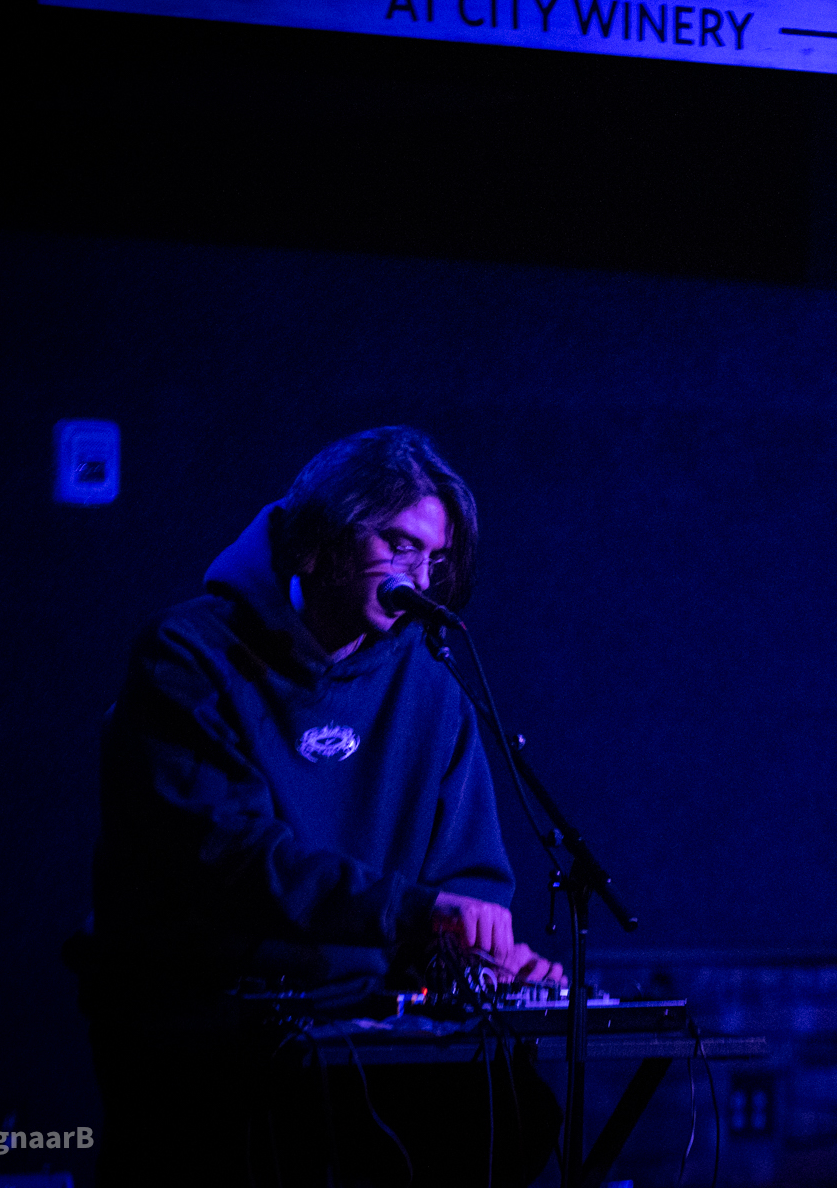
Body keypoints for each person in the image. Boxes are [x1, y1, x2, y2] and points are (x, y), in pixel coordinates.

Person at [84, 427, 562, 1186]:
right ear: (323, 539)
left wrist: (483, 957)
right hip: (216, 1028)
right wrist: (419, 913)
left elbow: (465, 878)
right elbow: (232, 860)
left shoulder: (433, 686)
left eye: (435, 559)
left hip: (367, 1025)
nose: (420, 577)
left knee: (517, 1114)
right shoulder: (187, 656)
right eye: (400, 546)